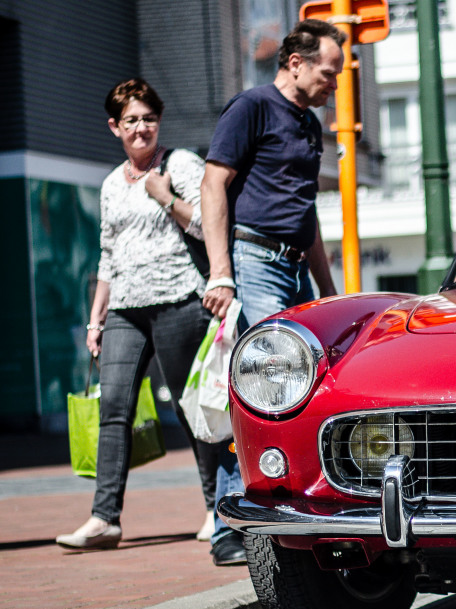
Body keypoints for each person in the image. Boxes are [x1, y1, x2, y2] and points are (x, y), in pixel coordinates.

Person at [56, 79, 231, 551]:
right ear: (115, 127)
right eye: (130, 121)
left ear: (159, 121)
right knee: (113, 407)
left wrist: (164, 196)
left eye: (148, 119)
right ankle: (104, 518)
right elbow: (107, 256)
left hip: (179, 302)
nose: (140, 129)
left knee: (191, 410)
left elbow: (209, 222)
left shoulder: (181, 165)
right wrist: (96, 320)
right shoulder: (112, 183)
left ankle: (218, 509)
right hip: (125, 312)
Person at [199, 19, 343, 565]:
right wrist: (221, 272)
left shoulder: (311, 126)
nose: (335, 82)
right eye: (329, 71)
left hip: (294, 265)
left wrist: (329, 292)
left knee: (303, 385)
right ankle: (227, 525)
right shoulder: (251, 108)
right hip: (254, 259)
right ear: (296, 62)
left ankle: (294, 504)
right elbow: (215, 184)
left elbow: (306, 214)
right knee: (267, 382)